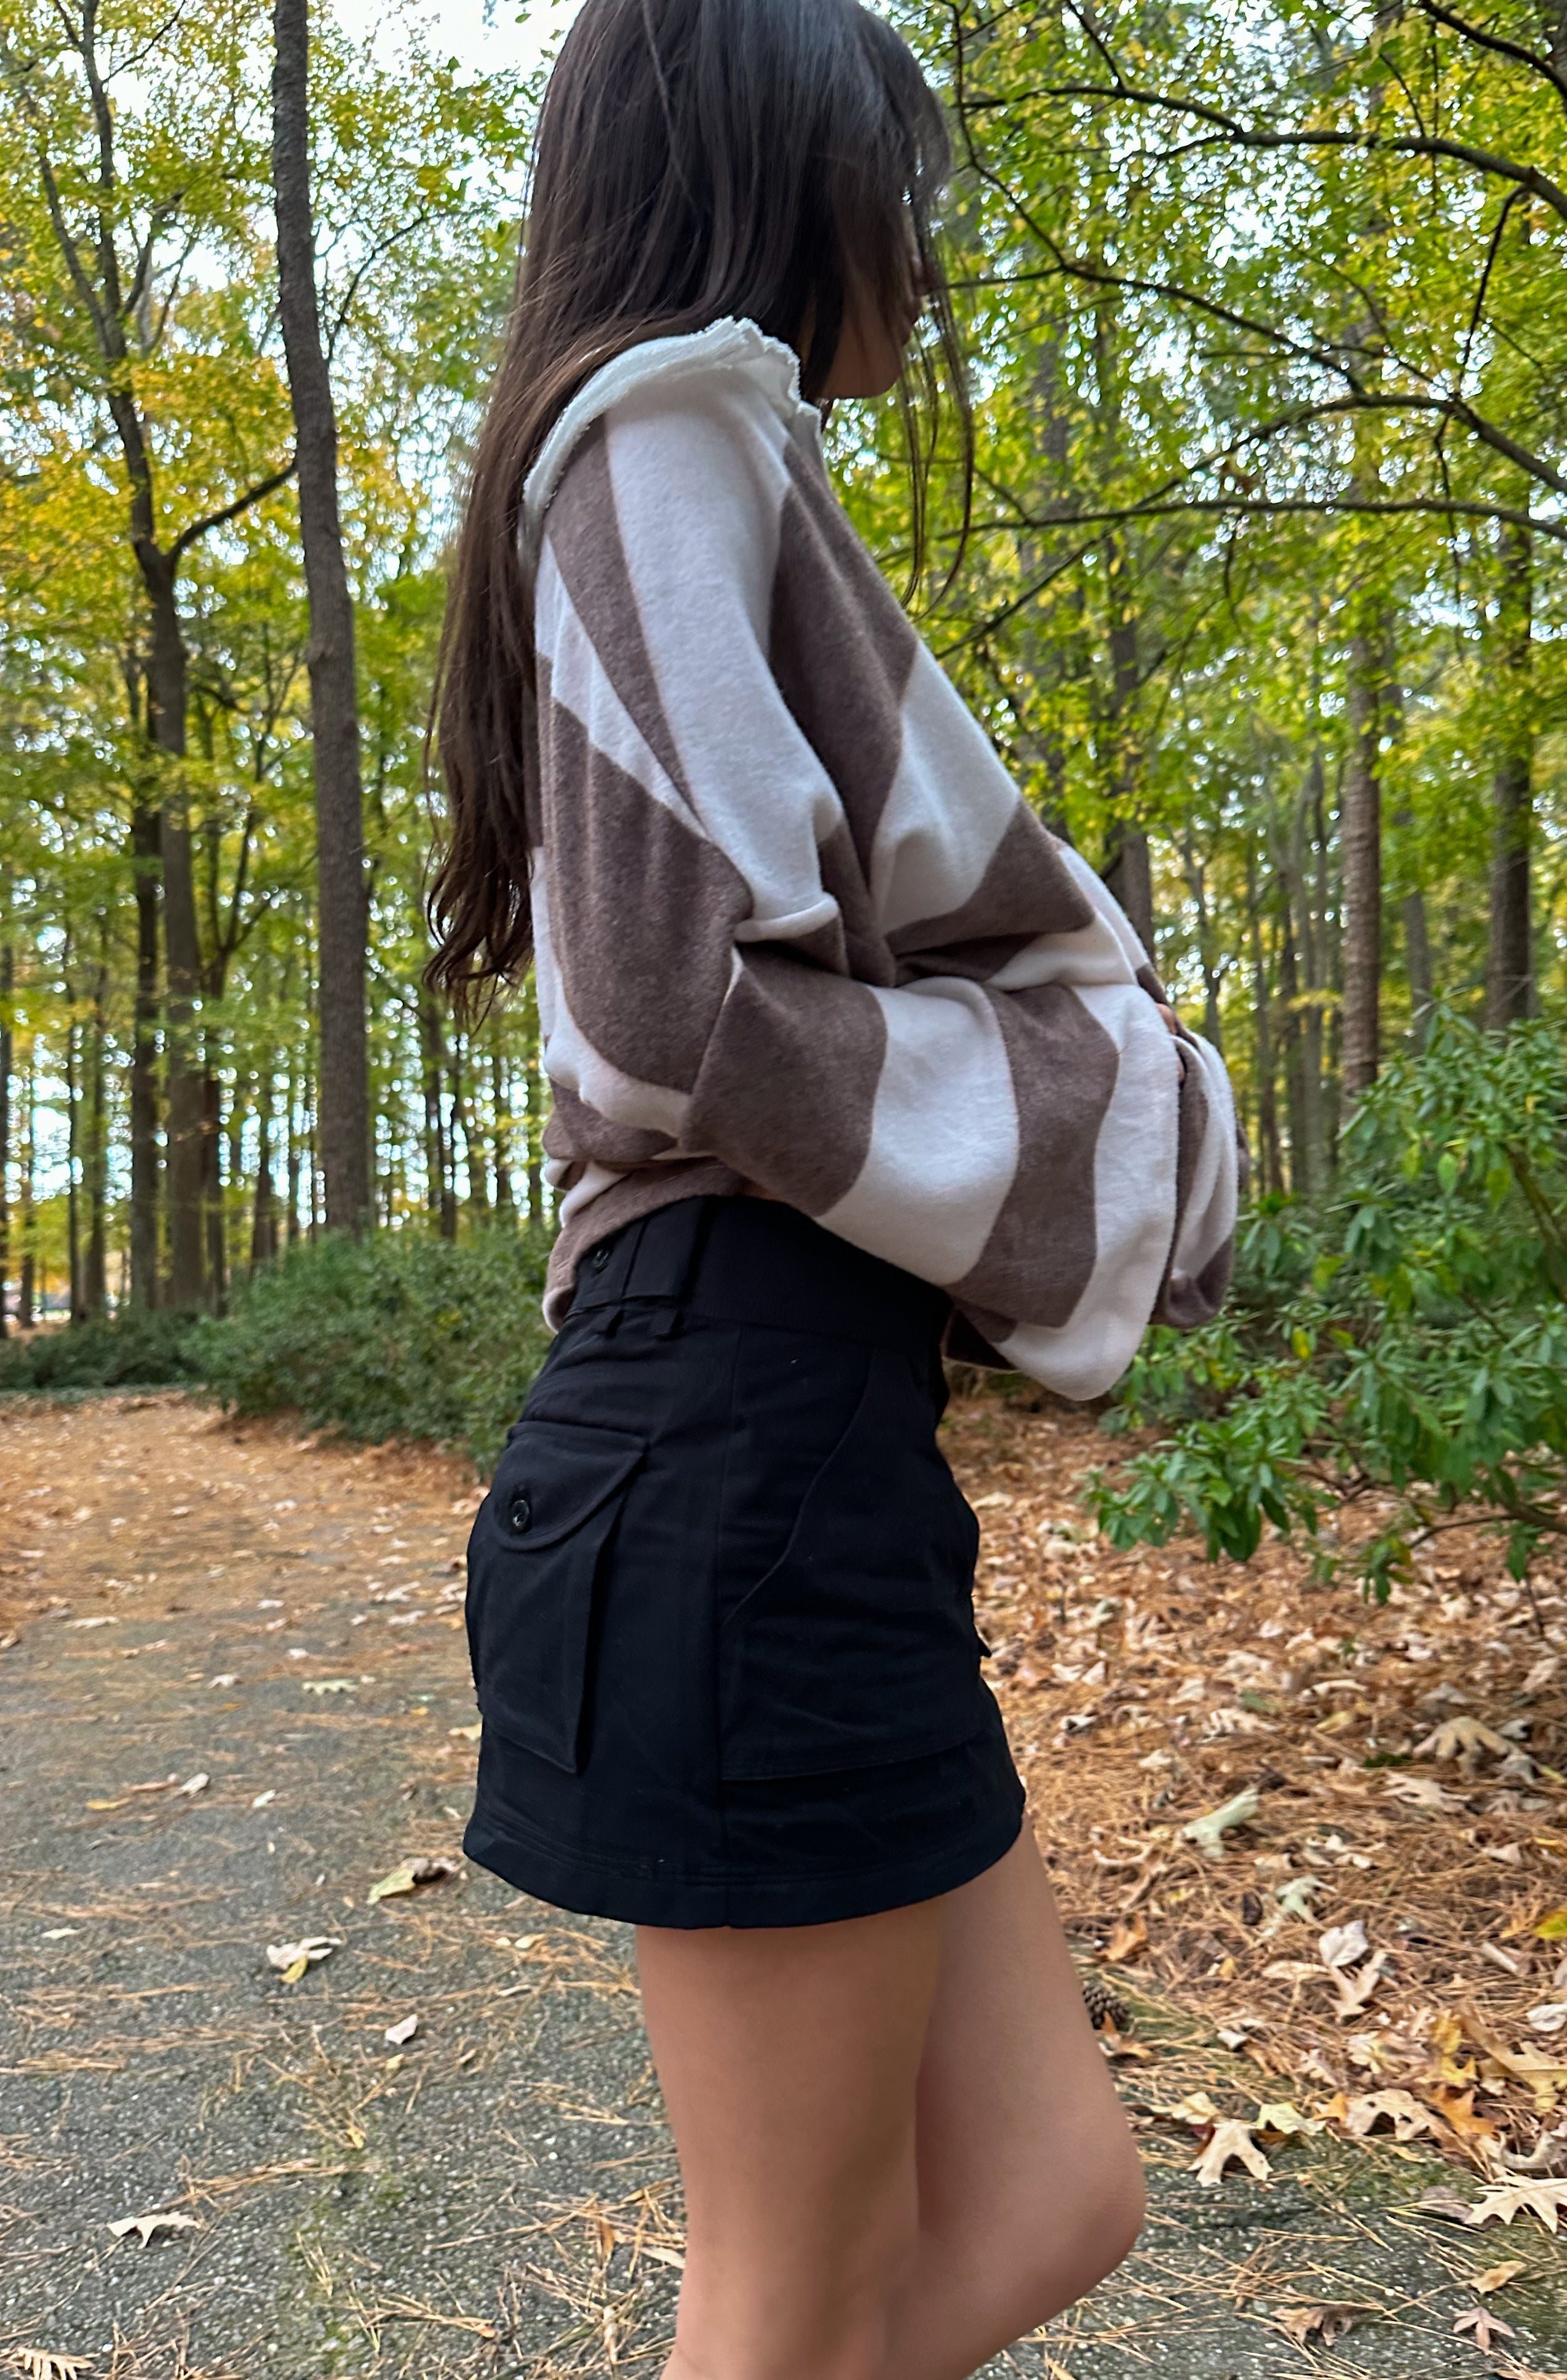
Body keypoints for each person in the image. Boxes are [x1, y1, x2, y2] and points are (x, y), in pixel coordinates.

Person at [427, 2, 1242, 2373]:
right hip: (733, 1440)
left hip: (787, 1451)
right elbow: (679, 1002)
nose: (925, 251)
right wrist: (1106, 1104)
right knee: (788, 2304)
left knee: (1052, 2198)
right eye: (900, 190)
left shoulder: (683, 449)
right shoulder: (664, 420)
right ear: (779, 165)